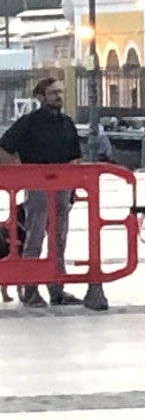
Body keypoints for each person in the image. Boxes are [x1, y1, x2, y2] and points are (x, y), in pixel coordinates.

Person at [0, 75, 102, 310]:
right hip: (37, 187)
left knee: (60, 236)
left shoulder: (66, 122)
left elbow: (74, 156)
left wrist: (73, 185)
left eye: (59, 92)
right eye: (53, 93)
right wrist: (21, 172)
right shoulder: (28, 122)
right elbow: (4, 147)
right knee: (35, 235)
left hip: (62, 187)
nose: (58, 96)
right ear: (40, 97)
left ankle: (57, 287)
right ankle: (30, 287)